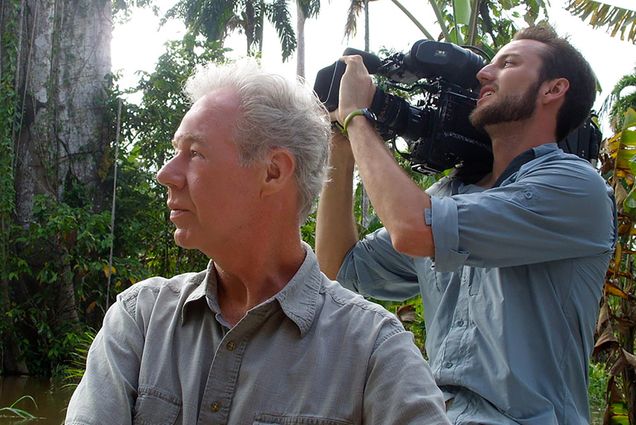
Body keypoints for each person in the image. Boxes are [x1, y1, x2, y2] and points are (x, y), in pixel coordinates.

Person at [64, 60, 450, 425]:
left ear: (273, 171)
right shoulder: (141, 319)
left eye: (194, 153)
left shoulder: (373, 351)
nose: (167, 174)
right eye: (174, 152)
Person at [316, 24, 616, 424]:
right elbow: (339, 267)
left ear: (553, 89)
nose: (483, 74)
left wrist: (357, 116)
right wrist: (340, 135)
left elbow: (412, 228)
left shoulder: (576, 188)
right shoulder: (449, 194)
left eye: (507, 63)